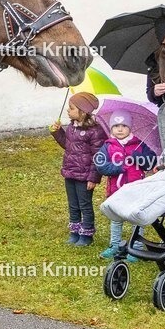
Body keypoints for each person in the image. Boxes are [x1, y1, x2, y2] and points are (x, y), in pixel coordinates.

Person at [49, 92, 107, 246]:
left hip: (85, 175)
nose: (68, 110)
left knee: (84, 205)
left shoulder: (95, 131)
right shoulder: (72, 127)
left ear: (83, 111)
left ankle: (87, 234)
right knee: (73, 204)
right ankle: (75, 231)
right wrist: (57, 132)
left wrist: (93, 178)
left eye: (72, 108)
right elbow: (67, 145)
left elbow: (98, 156)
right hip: (70, 171)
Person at [95, 114, 157, 260]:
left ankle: (136, 247)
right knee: (116, 218)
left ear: (130, 128)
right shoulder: (108, 146)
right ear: (111, 128)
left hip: (136, 190)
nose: (120, 129)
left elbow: (151, 162)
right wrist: (119, 167)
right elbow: (101, 166)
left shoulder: (139, 145)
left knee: (136, 217)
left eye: (124, 126)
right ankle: (115, 245)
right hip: (117, 190)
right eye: (116, 126)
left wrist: (139, 158)